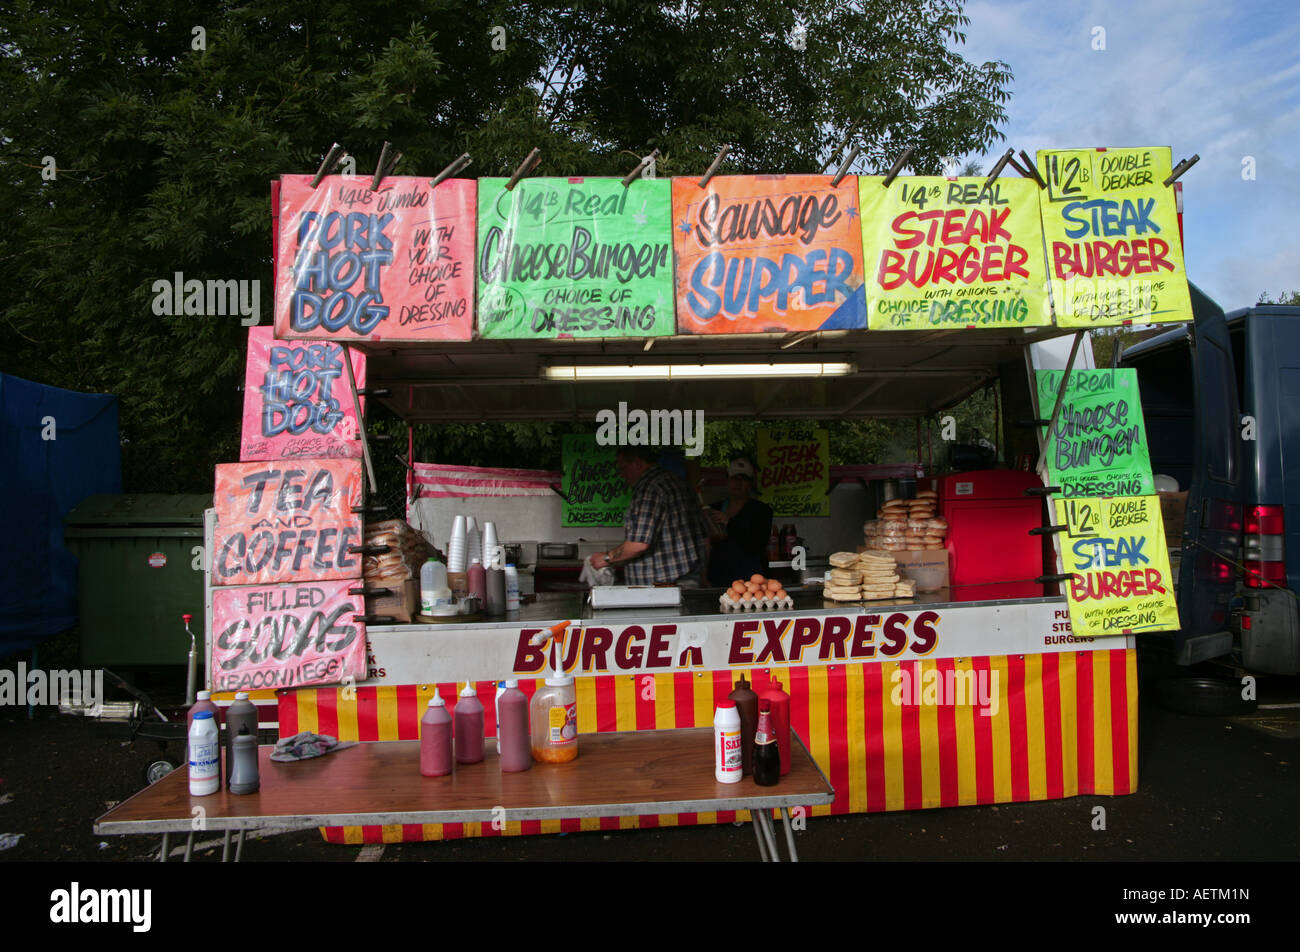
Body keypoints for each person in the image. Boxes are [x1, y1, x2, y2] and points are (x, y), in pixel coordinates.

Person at [589, 445, 711, 586]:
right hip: (689, 580)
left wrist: (605, 557)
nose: (621, 475)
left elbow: (639, 544)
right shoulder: (678, 482)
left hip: (661, 588)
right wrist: (703, 575)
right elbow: (704, 537)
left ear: (638, 464)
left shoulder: (649, 489)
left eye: (623, 468)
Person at [706, 458, 773, 584]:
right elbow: (706, 544)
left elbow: (758, 543)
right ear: (727, 480)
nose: (738, 482)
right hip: (719, 578)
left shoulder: (762, 510)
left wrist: (729, 523)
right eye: (734, 478)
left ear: (751, 483)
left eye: (744, 478)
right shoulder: (715, 508)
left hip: (751, 580)